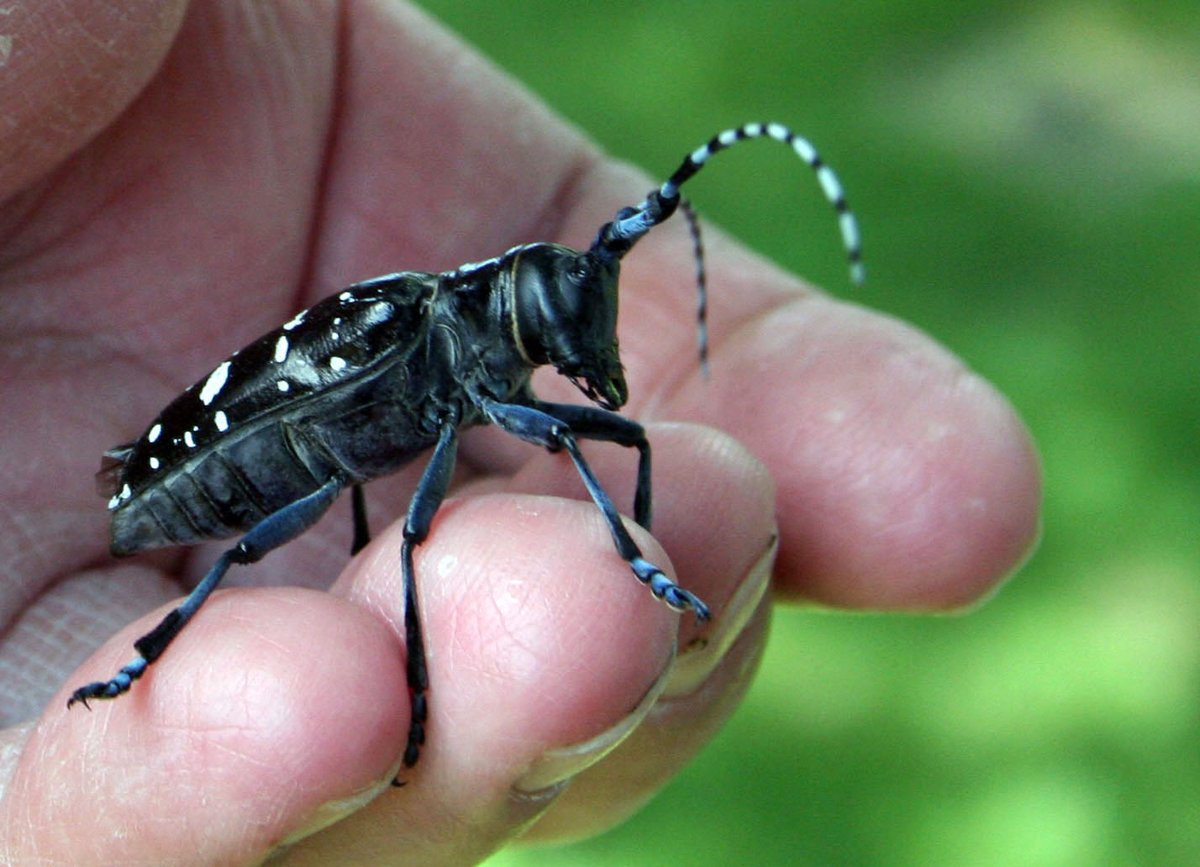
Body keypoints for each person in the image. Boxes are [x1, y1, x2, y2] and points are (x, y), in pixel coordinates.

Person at [0, 2, 1040, 863]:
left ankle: (637, 567)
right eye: (565, 324)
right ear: (520, 311)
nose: (585, 350)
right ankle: (170, 665)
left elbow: (565, 434)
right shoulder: (405, 323)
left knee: (620, 441)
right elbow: (349, 455)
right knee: (357, 541)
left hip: (312, 453)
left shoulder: (474, 358)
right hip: (215, 462)